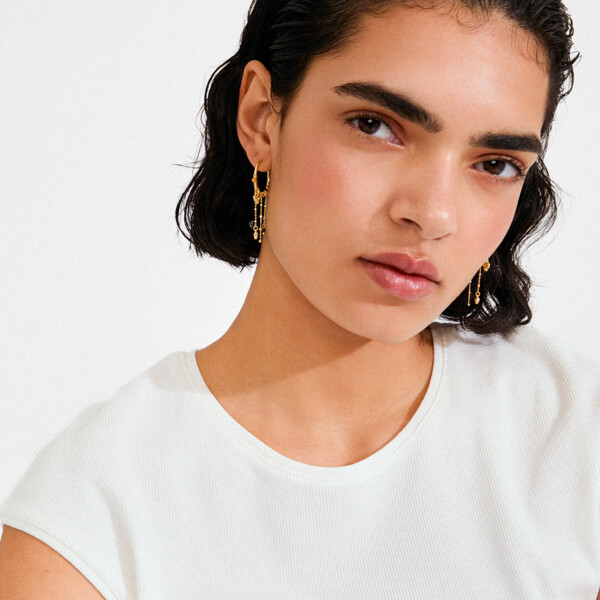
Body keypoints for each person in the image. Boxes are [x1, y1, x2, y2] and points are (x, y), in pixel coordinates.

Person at [0, 0, 598, 598]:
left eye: (495, 164)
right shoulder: (89, 523)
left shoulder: (574, 435)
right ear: (262, 118)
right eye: (375, 126)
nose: (433, 214)